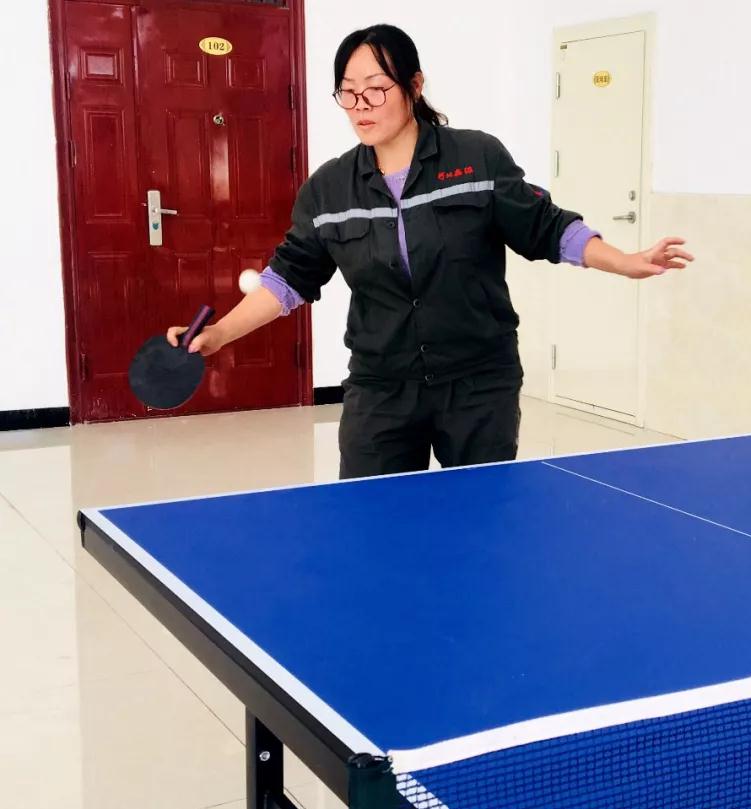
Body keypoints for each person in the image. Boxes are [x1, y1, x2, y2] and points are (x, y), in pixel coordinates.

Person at [167, 24, 693, 480]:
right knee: (375, 527)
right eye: (348, 92)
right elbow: (289, 278)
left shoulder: (477, 157)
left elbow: (546, 227)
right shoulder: (328, 190)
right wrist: (218, 335)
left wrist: (624, 261)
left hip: (477, 383)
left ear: (414, 86)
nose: (361, 106)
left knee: (480, 523)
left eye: (377, 89)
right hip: (381, 387)